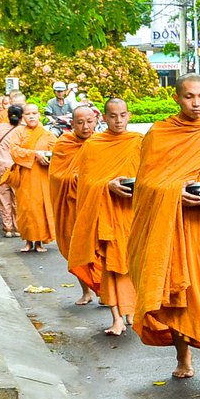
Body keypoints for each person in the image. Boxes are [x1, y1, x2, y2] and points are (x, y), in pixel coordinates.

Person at [127, 74, 200, 388]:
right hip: (172, 224)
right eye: (190, 97)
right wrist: (175, 191)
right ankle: (182, 357)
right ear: (177, 97)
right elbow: (146, 184)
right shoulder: (159, 133)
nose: (197, 103)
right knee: (177, 291)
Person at [68, 98, 142, 336]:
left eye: (122, 115)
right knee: (111, 266)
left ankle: (131, 310)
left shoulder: (138, 142)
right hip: (107, 214)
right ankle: (116, 317)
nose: (118, 120)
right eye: (113, 116)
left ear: (129, 115)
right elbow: (86, 182)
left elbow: (151, 175)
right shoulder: (94, 145)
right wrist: (107, 185)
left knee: (132, 264)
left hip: (132, 212)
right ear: (105, 118)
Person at [49, 105, 99, 304]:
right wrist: (77, 178)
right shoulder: (64, 144)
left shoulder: (102, 143)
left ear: (96, 122)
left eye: (89, 122)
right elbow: (56, 175)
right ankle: (86, 291)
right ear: (72, 124)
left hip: (96, 204)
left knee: (100, 249)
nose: (85, 127)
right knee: (76, 248)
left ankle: (105, 291)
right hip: (72, 204)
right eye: (80, 123)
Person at [3, 103, 56, 252]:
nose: (31, 116)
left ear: (39, 115)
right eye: (28, 114)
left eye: (34, 113)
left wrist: (46, 158)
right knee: (25, 209)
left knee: (40, 208)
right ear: (23, 117)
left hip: (41, 176)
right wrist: (34, 154)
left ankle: (39, 242)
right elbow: (14, 151)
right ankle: (27, 241)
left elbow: (56, 152)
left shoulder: (47, 135)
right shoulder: (18, 133)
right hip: (25, 175)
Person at [0, 103, 23, 237]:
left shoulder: (1, 127)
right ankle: (18, 227)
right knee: (16, 196)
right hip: (14, 165)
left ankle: (7, 228)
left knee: (3, 196)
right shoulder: (22, 129)